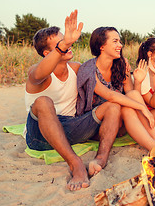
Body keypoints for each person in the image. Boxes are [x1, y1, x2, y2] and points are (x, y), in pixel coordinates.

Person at [25, 10, 122, 191]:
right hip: (39, 134)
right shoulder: (35, 73)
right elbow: (39, 73)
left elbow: (102, 79)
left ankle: (101, 158)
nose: (67, 45)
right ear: (47, 53)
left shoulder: (77, 68)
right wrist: (65, 44)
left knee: (113, 107)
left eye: (67, 40)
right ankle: (75, 164)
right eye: (60, 43)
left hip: (71, 127)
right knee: (43, 102)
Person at [76, 27, 155, 162]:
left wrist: (138, 81)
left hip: (120, 123)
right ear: (101, 46)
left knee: (132, 95)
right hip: (97, 126)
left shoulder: (120, 65)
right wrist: (143, 108)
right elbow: (110, 96)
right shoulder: (88, 69)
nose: (120, 45)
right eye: (115, 41)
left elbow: (131, 94)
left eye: (120, 41)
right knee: (121, 104)